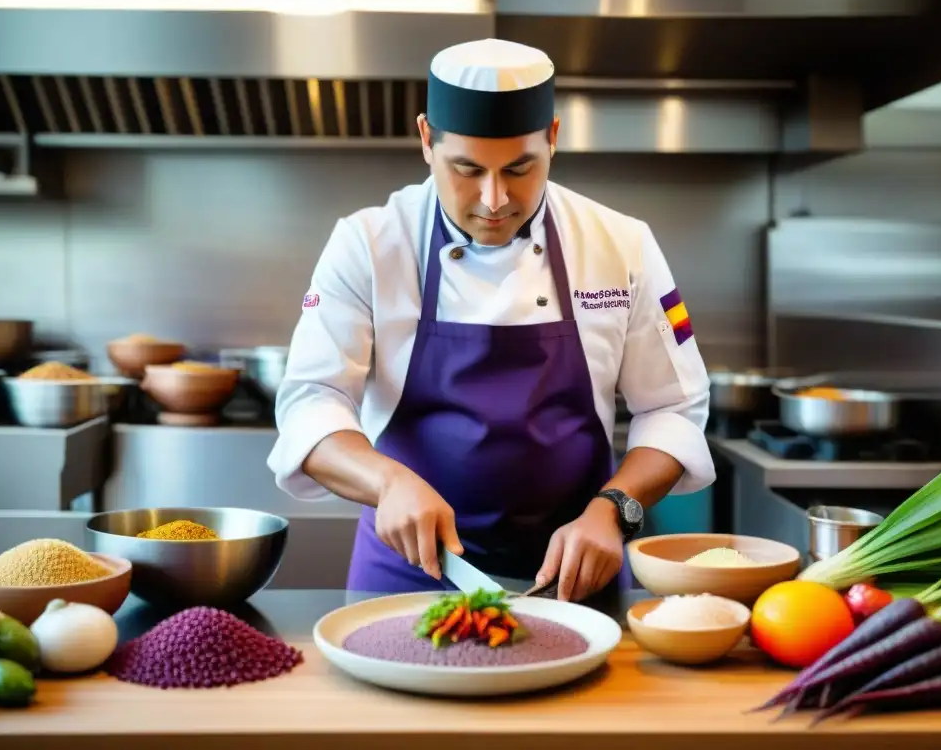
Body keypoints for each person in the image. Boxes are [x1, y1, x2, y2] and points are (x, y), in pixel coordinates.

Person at [268, 38, 715, 602]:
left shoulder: (620, 243)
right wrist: (387, 482)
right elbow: (311, 400)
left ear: (553, 138)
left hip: (575, 577)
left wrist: (615, 508)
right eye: (467, 169)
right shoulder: (370, 244)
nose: (495, 198)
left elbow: (672, 407)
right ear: (427, 139)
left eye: (520, 168)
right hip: (408, 573)